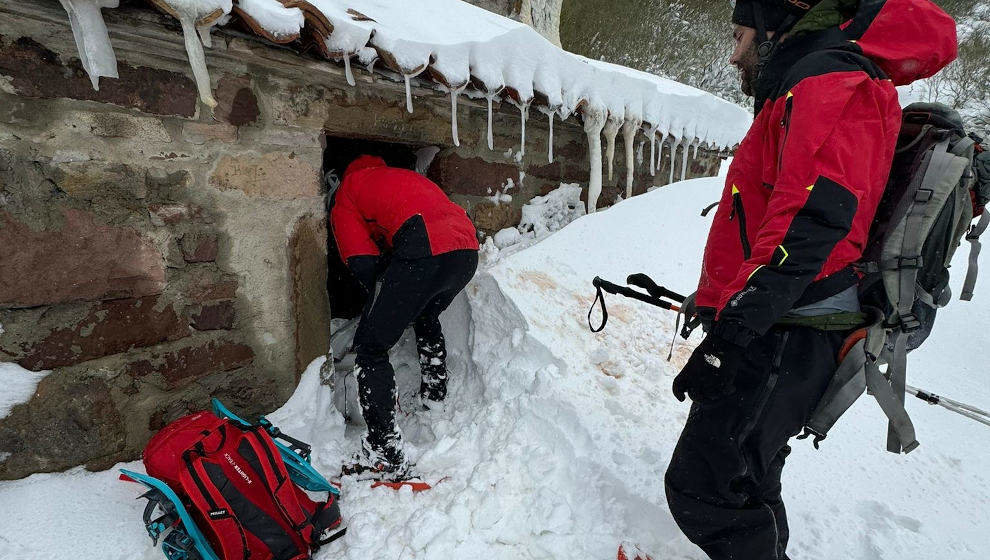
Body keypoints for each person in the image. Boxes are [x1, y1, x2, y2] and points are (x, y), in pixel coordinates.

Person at [664, 0, 957, 558]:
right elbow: (766, 212)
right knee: (747, 473)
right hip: (781, 321)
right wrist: (715, 303)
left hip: (789, 326)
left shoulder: (832, 82)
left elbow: (813, 223)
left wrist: (732, 336)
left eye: (739, 36)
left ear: (773, 26)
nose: (733, 56)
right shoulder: (809, 83)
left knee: (705, 488)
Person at [331, 155, 479, 480]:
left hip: (423, 245)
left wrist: (380, 307)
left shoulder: (348, 192)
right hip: (466, 250)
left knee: (370, 348)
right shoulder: (402, 179)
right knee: (427, 315)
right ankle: (435, 396)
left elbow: (361, 261)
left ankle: (384, 451)